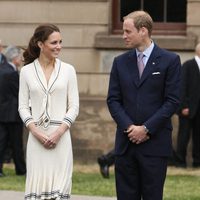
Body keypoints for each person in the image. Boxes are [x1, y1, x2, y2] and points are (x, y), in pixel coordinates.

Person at [107, 10, 181, 200]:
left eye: (127, 31)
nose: (123, 36)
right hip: (125, 145)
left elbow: (172, 101)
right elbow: (113, 100)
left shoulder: (170, 61)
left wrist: (146, 129)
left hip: (155, 145)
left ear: (143, 31)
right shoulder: (120, 62)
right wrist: (130, 127)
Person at [18, 24, 79, 199]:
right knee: (38, 191)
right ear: (40, 44)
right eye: (53, 42)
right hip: (36, 140)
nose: (58, 46)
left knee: (60, 191)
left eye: (60, 42)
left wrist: (59, 132)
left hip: (61, 139)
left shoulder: (68, 70)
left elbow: (74, 106)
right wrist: (36, 132)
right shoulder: (27, 72)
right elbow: (22, 106)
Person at [0, 45, 26, 177]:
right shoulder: (11, 72)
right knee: (16, 143)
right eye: (20, 56)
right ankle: (21, 170)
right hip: (13, 113)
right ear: (14, 58)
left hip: (2, 113)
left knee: (2, 142)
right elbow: (20, 93)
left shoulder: (2, 69)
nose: (21, 59)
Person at [174, 43, 200, 168]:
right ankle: (180, 161)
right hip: (187, 109)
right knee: (183, 136)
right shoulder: (188, 65)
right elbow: (181, 87)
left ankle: (197, 162)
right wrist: (183, 106)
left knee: (198, 137)